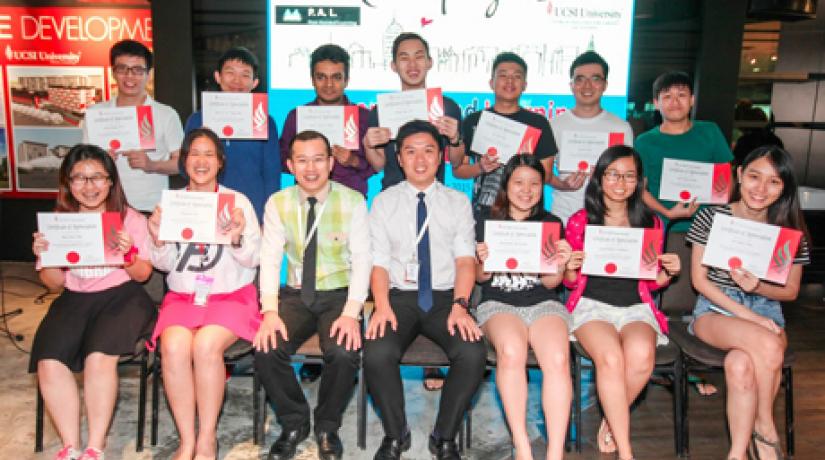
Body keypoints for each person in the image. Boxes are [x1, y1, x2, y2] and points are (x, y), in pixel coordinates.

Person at [364, 120, 486, 460]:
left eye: (428, 151)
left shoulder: (457, 202)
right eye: (410, 151)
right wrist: (382, 305)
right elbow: (379, 264)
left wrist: (461, 305)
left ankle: (444, 437)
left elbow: (465, 262)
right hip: (399, 297)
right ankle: (395, 434)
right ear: (399, 158)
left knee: (473, 352)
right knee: (376, 351)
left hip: (447, 296)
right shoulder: (384, 202)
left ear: (441, 156)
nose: (420, 160)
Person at [30, 144, 156, 460]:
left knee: (99, 358)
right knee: (49, 360)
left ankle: (94, 448)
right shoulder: (60, 222)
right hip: (75, 298)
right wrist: (46, 259)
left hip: (122, 297)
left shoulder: (131, 219)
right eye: (79, 178)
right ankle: (70, 446)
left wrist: (128, 254)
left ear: (111, 181)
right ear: (68, 184)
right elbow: (54, 283)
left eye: (97, 177)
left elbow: (142, 275)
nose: (89, 187)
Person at [254, 130, 371, 460]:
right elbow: (270, 258)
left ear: (331, 163)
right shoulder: (278, 202)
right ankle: (295, 422)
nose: (310, 168)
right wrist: (269, 311)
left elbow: (363, 260)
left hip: (339, 295)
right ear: (290, 165)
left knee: (345, 351)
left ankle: (327, 426)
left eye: (318, 159)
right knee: (266, 347)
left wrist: (351, 313)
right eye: (301, 160)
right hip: (294, 294)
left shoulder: (353, 201)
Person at [146, 128, 262, 460]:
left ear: (220, 163)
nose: (201, 161)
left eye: (209, 154)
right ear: (184, 161)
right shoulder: (173, 204)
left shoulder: (237, 203)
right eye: (194, 154)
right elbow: (165, 265)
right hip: (184, 298)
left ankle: (207, 438)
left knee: (206, 345)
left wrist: (237, 237)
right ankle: (186, 439)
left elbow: (253, 259)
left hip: (230, 297)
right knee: (173, 345)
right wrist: (157, 238)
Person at [687, 146, 809, 460]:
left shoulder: (788, 230)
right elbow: (699, 281)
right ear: (739, 174)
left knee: (740, 365)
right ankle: (766, 426)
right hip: (717, 308)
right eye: (754, 176)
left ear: (784, 188)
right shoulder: (712, 217)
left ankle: (738, 453)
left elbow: (792, 291)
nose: (761, 189)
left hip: (766, 309)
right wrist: (749, 318)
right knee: (769, 346)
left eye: (774, 182)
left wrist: (760, 286)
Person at [564, 145, 681, 460]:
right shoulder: (579, 221)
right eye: (613, 174)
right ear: (599, 178)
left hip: (636, 306)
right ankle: (626, 450)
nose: (620, 182)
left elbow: (653, 282)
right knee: (612, 359)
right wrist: (571, 267)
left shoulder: (651, 223)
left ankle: (610, 422)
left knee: (642, 357)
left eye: (629, 176)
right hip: (591, 306)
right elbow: (569, 282)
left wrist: (668, 273)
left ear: (639, 182)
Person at [474, 154, 573, 460]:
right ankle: (523, 447)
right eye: (519, 182)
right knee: (512, 351)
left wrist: (561, 262)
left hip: (542, 303)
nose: (526, 190)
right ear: (506, 185)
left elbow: (551, 284)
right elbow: (480, 278)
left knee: (557, 357)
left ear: (542, 187)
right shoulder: (486, 220)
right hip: (498, 303)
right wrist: (484, 259)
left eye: (534, 183)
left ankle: (555, 452)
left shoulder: (551, 223)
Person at [82, 39, 184, 213]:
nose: (129, 76)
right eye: (122, 69)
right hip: (105, 208)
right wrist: (100, 161)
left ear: (149, 74)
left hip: (151, 210)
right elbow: (81, 164)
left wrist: (151, 165)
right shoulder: (95, 115)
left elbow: (182, 163)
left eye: (137, 70)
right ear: (113, 72)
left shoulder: (166, 114)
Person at [452, 52, 558, 217]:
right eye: (503, 75)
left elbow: (546, 175)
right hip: (484, 212)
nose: (509, 81)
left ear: (525, 84)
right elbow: (458, 170)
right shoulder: (474, 121)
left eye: (517, 76)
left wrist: (520, 167)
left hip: (526, 213)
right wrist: (480, 167)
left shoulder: (538, 123)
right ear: (491, 83)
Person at [184, 47, 281, 221]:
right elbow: (183, 168)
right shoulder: (198, 120)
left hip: (252, 212)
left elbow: (272, 175)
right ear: (217, 77)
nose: (237, 80)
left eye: (245, 75)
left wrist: (268, 219)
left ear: (255, 82)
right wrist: (203, 141)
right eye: (230, 73)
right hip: (205, 211)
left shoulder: (265, 122)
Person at [364, 32, 465, 191]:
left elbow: (456, 162)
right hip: (392, 197)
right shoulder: (381, 111)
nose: (412, 65)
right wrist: (368, 145)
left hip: (434, 197)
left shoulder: (448, 107)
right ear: (393, 66)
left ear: (429, 62)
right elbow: (378, 166)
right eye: (404, 58)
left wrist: (455, 138)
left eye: (418, 57)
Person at [636, 71, 733, 232]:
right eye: (667, 96)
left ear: (692, 100)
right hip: (663, 227)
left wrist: (716, 213)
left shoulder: (710, 131)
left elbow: (726, 178)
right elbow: (640, 189)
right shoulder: (644, 141)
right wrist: (667, 212)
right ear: (656, 103)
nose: (675, 102)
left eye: (681, 95)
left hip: (707, 227)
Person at [549, 51, 634, 224]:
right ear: (571, 85)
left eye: (595, 79)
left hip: (607, 219)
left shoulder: (620, 128)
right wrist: (562, 184)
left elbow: (629, 177)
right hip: (564, 216)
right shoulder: (554, 125)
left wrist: (605, 177)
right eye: (580, 79)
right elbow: (544, 174)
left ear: (605, 85)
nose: (587, 86)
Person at [279, 44, 373, 197]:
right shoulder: (296, 117)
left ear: (347, 80)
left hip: (351, 200)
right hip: (307, 200)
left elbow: (378, 164)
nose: (329, 85)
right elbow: (283, 161)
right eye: (321, 77)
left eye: (336, 77)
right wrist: (303, 159)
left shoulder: (364, 117)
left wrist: (353, 161)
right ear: (312, 80)